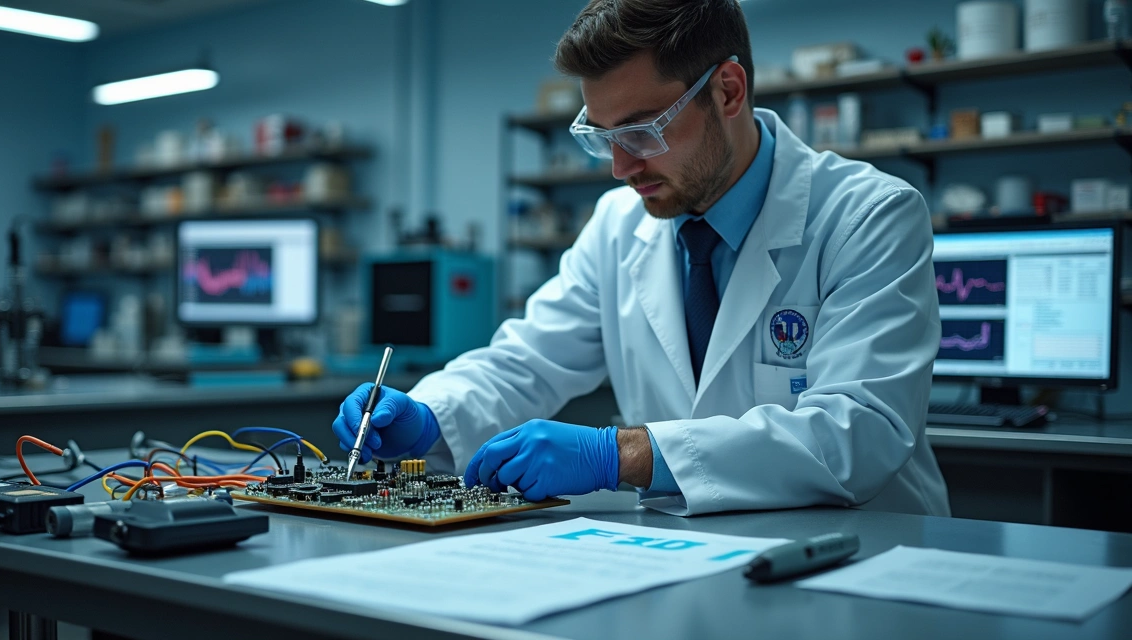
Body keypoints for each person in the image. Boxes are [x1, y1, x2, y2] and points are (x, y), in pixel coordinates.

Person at [333, 0, 949, 517]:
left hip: (854, 560)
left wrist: (622, 454)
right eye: (601, 137)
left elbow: (859, 432)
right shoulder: (618, 226)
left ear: (727, 91)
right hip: (677, 557)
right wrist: (428, 417)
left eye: (641, 130)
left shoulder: (868, 215)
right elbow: (527, 363)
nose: (619, 168)